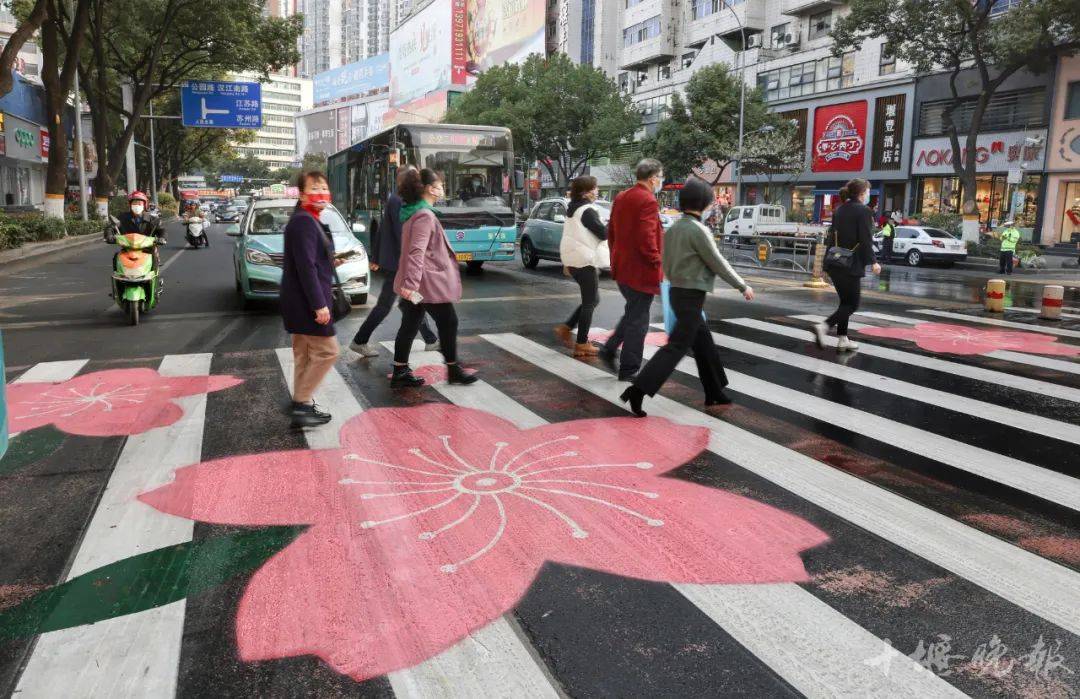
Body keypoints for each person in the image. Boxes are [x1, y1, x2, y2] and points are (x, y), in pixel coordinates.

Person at [619, 177, 754, 417]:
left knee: (704, 344)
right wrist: (742, 285)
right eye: (711, 202)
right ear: (704, 203)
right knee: (677, 346)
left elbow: (666, 262)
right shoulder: (697, 230)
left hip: (677, 292)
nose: (712, 206)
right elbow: (717, 262)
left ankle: (715, 391)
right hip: (691, 295)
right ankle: (638, 390)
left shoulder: (674, 229)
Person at [391, 168, 478, 388]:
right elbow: (416, 252)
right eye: (440, 185)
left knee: (411, 323)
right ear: (430, 189)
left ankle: (400, 370)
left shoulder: (415, 213)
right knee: (448, 321)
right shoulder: (424, 216)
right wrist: (411, 287)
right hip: (424, 286)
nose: (443, 189)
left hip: (418, 284)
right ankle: (453, 369)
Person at [350, 166, 439, 358]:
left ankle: (431, 339)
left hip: (396, 263)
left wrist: (375, 258)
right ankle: (359, 340)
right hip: (401, 265)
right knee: (389, 305)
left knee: (412, 303)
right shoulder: (400, 201)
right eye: (416, 177)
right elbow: (403, 235)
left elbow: (383, 229)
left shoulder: (395, 199)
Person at [280, 171, 342, 428]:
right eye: (315, 187)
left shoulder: (307, 219)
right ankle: (301, 402)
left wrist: (331, 260)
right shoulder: (304, 221)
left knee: (304, 355)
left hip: (298, 299)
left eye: (324, 187)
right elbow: (306, 266)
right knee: (328, 351)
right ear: (303, 194)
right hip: (307, 302)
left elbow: (308, 260)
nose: (321, 192)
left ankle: (302, 405)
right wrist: (319, 304)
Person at [599, 158, 665, 381]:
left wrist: (614, 256)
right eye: (660, 176)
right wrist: (656, 260)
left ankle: (608, 349)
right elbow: (647, 237)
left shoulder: (621, 196)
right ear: (653, 177)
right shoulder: (647, 200)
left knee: (633, 313)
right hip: (640, 270)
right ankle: (629, 369)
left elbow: (612, 232)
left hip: (622, 267)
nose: (661, 181)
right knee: (638, 320)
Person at [812, 178, 881, 353]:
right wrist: (873, 261)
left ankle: (843, 339)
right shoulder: (864, 211)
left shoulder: (839, 210)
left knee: (845, 302)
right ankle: (824, 326)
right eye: (867, 192)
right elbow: (866, 239)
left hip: (835, 261)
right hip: (850, 264)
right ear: (861, 193)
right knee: (853, 304)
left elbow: (831, 237)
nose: (868, 195)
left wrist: (824, 264)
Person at [554, 175, 607, 357]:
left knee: (592, 300)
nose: (597, 191)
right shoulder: (587, 210)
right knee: (590, 302)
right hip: (584, 260)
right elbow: (603, 233)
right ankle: (582, 343)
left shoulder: (573, 209)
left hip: (574, 259)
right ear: (586, 191)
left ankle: (567, 328)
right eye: (595, 187)